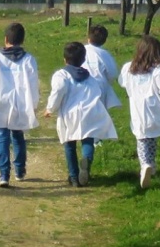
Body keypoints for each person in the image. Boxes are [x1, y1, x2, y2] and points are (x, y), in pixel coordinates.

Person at [44, 41, 117, 187]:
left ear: (64, 59)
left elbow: (58, 91)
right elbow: (96, 92)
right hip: (89, 112)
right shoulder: (89, 77)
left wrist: (50, 109)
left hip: (70, 114)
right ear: (83, 60)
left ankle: (74, 177)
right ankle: (86, 161)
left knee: (69, 144)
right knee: (87, 141)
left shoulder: (61, 75)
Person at [0, 21, 40, 188]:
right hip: (19, 102)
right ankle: (19, 170)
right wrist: (33, 104)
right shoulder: (28, 59)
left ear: (6, 39)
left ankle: (4, 174)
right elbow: (33, 84)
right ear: (22, 40)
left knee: (2, 137)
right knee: (18, 135)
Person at [119, 34, 160, 189]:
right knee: (150, 136)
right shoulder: (159, 70)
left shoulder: (129, 68)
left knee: (142, 136)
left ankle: (146, 163)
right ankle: (149, 164)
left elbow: (123, 84)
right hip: (154, 108)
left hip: (138, 107)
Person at [83, 24, 122, 109]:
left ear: (88, 38)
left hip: (80, 85)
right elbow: (112, 73)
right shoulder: (104, 54)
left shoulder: (81, 50)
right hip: (99, 86)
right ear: (104, 40)